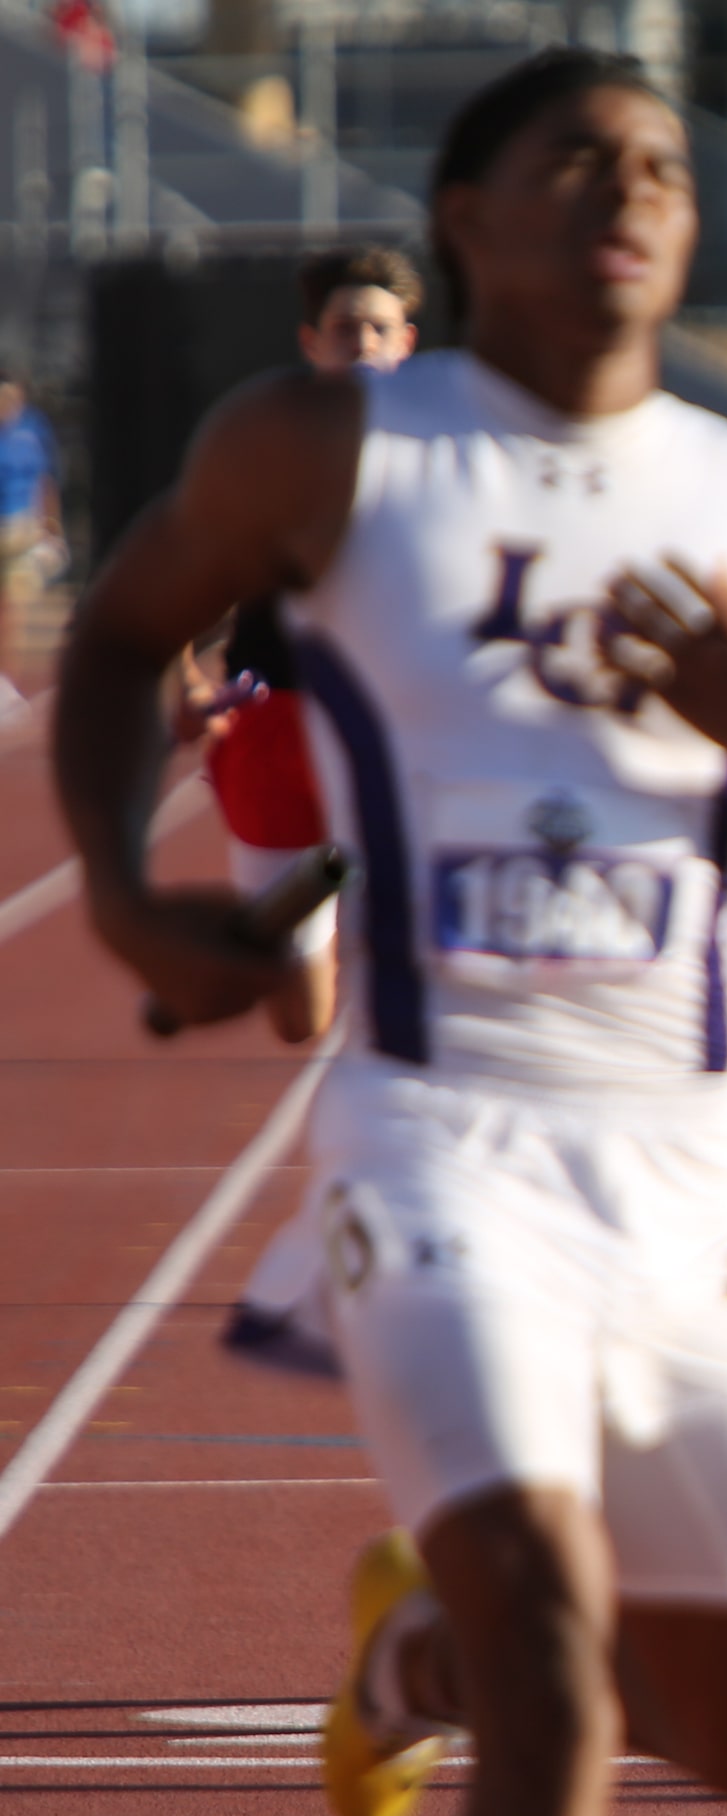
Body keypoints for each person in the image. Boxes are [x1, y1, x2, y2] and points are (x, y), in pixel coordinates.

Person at [52, 47, 727, 1816]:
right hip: (440, 1141)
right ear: (465, 215)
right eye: (579, 160)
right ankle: (482, 1652)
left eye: (665, 168)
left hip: (690, 1160)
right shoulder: (337, 445)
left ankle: (412, 1652)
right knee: (557, 1692)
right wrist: (129, 901)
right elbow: (123, 631)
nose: (630, 192)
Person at [172, 245, 426, 1364]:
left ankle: (402, 1220)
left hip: (413, 744)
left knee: (426, 994)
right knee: (299, 1016)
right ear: (309, 343)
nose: (361, 344)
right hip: (277, 742)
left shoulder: (447, 459)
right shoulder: (263, 459)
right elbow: (172, 601)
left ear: (407, 341)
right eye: (343, 328)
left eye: (380, 327)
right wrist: (188, 692)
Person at [0, 370, 65, 717]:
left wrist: (52, 525)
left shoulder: (32, 430)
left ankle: (5, 680)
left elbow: (46, 479)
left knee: (13, 606)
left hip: (20, 527)